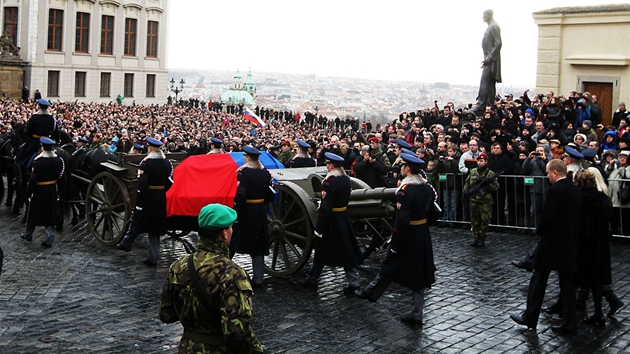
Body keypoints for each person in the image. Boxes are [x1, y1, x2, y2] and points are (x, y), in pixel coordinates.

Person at [158, 203, 264, 353]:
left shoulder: (178, 266)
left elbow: (166, 315)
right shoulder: (233, 274)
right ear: (224, 234)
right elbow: (237, 332)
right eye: (230, 227)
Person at [355, 153, 436, 325]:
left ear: (407, 169)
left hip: (409, 235)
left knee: (392, 262)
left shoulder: (405, 192)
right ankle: (373, 292)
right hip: (422, 233)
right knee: (413, 271)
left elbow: (402, 220)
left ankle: (413, 312)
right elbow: (434, 213)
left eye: (402, 167)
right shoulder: (428, 188)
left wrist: (396, 242)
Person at [510, 159, 582, 335]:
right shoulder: (575, 189)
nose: (547, 176)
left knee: (538, 279)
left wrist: (539, 230)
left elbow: (547, 218)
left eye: (548, 173)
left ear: (555, 173)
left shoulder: (555, 190)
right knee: (567, 285)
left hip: (551, 243)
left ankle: (530, 316)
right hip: (570, 242)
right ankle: (569, 323)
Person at [299, 152, 362, 293]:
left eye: (327, 164)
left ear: (331, 165)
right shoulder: (346, 179)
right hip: (343, 217)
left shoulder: (329, 182)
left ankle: (314, 278)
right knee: (342, 251)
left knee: (324, 250)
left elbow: (326, 207)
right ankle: (352, 282)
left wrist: (319, 228)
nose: (327, 167)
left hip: (332, 221)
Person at [116, 137, 174, 266]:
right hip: (160, 197)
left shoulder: (146, 163)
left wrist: (140, 202)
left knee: (138, 220)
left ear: (150, 148)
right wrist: (162, 190)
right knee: (155, 228)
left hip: (147, 197)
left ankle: (126, 243)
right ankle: (152, 256)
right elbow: (170, 181)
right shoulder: (167, 163)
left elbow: (142, 184)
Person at [229, 146, 275, 287]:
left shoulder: (244, 174)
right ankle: (258, 278)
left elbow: (241, 196)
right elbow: (270, 194)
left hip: (247, 211)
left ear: (247, 158)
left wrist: (236, 213)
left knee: (233, 242)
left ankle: (222, 270)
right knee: (258, 245)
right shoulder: (265, 173)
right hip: (260, 211)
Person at [20, 137, 66, 247]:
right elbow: (61, 178)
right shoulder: (59, 161)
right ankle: (50, 238)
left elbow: (33, 178)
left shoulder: (38, 161)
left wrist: (28, 190)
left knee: (33, 212)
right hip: (51, 190)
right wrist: (61, 191)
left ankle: (28, 233)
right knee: (50, 213)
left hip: (39, 190)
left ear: (43, 147)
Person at [462, 153, 499, 247]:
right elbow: (468, 183)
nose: (480, 163)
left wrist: (487, 185)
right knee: (474, 220)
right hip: (474, 199)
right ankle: (476, 237)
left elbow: (496, 187)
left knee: (484, 220)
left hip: (485, 200)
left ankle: (482, 237)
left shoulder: (490, 173)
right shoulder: (473, 171)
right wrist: (466, 191)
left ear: (486, 162)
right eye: (478, 161)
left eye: (482, 161)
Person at [471, 9, 502, 116]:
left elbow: (498, 44)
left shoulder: (494, 26)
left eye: (484, 15)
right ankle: (488, 103)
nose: (483, 17)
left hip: (491, 60)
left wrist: (489, 58)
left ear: (489, 15)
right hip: (489, 59)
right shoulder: (491, 26)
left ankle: (481, 104)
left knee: (485, 81)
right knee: (489, 83)